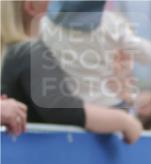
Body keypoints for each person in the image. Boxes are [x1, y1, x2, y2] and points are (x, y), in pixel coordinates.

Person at [0, 0, 141, 142]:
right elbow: (63, 109)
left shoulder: (13, 53)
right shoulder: (30, 52)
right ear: (31, 6)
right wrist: (124, 121)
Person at [39, 1, 151, 109]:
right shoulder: (111, 23)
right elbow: (148, 54)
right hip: (106, 106)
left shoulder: (46, 24)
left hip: (67, 106)